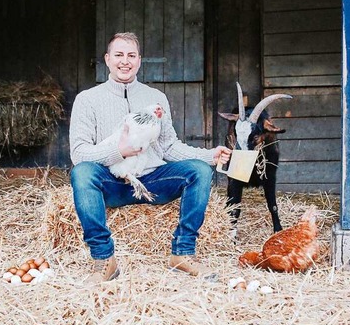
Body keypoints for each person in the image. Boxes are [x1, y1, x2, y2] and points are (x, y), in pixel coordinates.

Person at [69, 32, 231, 284]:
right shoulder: (87, 100)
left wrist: (210, 156)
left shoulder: (156, 98)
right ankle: (104, 260)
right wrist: (119, 151)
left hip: (153, 183)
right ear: (107, 59)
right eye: (119, 55)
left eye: (131, 55)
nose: (125, 61)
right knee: (81, 172)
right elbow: (79, 153)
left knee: (200, 170)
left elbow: (169, 147)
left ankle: (183, 254)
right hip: (112, 183)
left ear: (139, 60)